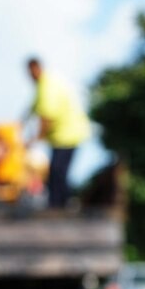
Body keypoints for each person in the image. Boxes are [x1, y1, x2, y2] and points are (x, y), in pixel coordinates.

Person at [24, 57, 91, 209]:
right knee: (56, 172)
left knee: (58, 172)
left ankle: (61, 207)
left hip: (68, 134)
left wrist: (35, 139)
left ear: (35, 69)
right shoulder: (43, 85)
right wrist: (20, 123)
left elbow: (47, 119)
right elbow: (33, 107)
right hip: (62, 136)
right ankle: (58, 205)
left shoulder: (47, 87)